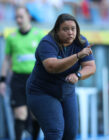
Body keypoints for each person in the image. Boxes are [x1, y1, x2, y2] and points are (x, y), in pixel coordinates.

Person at [26, 13, 96, 140]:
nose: (70, 32)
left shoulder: (81, 42)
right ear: (57, 30)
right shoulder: (47, 42)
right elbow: (52, 67)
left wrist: (78, 75)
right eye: (65, 29)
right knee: (54, 131)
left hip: (66, 92)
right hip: (42, 92)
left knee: (70, 134)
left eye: (73, 29)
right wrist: (77, 56)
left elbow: (91, 67)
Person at [0, 6, 44, 140]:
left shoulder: (39, 35)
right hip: (18, 80)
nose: (19, 20)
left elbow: (46, 59)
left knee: (35, 114)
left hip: (35, 80)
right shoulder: (12, 37)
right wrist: (2, 80)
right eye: (16, 17)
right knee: (20, 114)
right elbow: (7, 60)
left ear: (28, 17)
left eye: (21, 17)